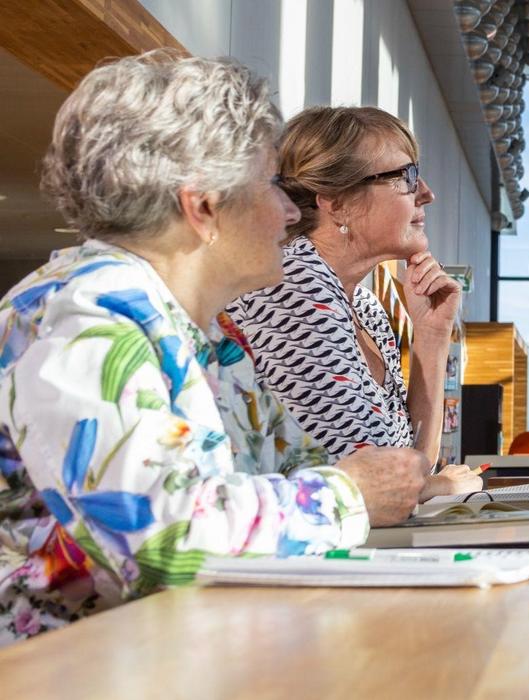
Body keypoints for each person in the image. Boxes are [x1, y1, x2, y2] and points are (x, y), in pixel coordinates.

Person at [0, 52, 427, 645]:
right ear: (202, 207)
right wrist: (348, 494)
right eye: (273, 186)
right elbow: (162, 545)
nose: (288, 210)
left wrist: (360, 484)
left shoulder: (204, 338)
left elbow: (297, 466)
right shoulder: (84, 313)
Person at [225, 106, 479, 495]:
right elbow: (381, 487)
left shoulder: (365, 309)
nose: (426, 193)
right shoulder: (291, 287)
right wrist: (438, 486)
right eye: (406, 177)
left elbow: (407, 468)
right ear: (336, 201)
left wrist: (431, 336)